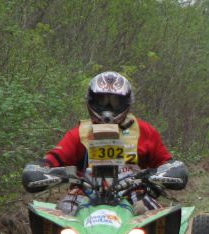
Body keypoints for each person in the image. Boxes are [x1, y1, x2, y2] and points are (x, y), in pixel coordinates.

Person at [22, 71, 176, 214]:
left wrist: (168, 172)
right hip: (84, 194)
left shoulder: (144, 131)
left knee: (148, 210)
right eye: (102, 100)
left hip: (134, 193)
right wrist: (40, 169)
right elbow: (53, 159)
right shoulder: (80, 133)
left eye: (115, 102)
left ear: (126, 103)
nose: (108, 108)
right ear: (92, 101)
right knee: (63, 212)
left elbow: (167, 163)